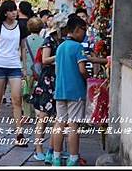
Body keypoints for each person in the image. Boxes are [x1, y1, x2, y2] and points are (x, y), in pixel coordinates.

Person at [0, 0, 29, 146]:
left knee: (17, 99)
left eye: (15, 10)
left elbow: (23, 47)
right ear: (5, 12)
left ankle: (19, 133)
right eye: (11, 10)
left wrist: (24, 66)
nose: (14, 12)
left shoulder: (21, 26)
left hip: (14, 65)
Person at [29, 13, 67, 163]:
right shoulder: (49, 40)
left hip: (60, 79)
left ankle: (56, 148)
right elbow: (45, 60)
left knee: (60, 117)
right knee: (43, 117)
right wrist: (59, 56)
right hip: (47, 80)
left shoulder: (64, 40)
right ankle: (38, 148)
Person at [51, 16, 88, 167]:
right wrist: (88, 78)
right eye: (84, 31)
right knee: (73, 126)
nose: (84, 34)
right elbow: (82, 70)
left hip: (60, 90)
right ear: (77, 30)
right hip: (75, 91)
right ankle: (73, 159)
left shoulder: (60, 47)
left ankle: (56, 158)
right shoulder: (78, 48)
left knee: (60, 123)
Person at [23, 16, 45, 121]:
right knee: (37, 92)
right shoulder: (44, 41)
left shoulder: (25, 40)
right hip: (39, 70)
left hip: (27, 69)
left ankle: (27, 114)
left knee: (26, 92)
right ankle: (37, 113)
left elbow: (21, 55)